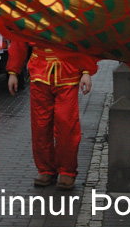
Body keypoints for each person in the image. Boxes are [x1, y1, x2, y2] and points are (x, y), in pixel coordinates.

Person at [7, 40, 98, 190]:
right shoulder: (32, 15)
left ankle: (67, 171)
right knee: (40, 126)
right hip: (39, 73)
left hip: (68, 72)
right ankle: (46, 169)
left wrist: (86, 71)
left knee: (66, 125)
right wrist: (13, 71)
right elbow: (19, 40)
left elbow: (84, 37)